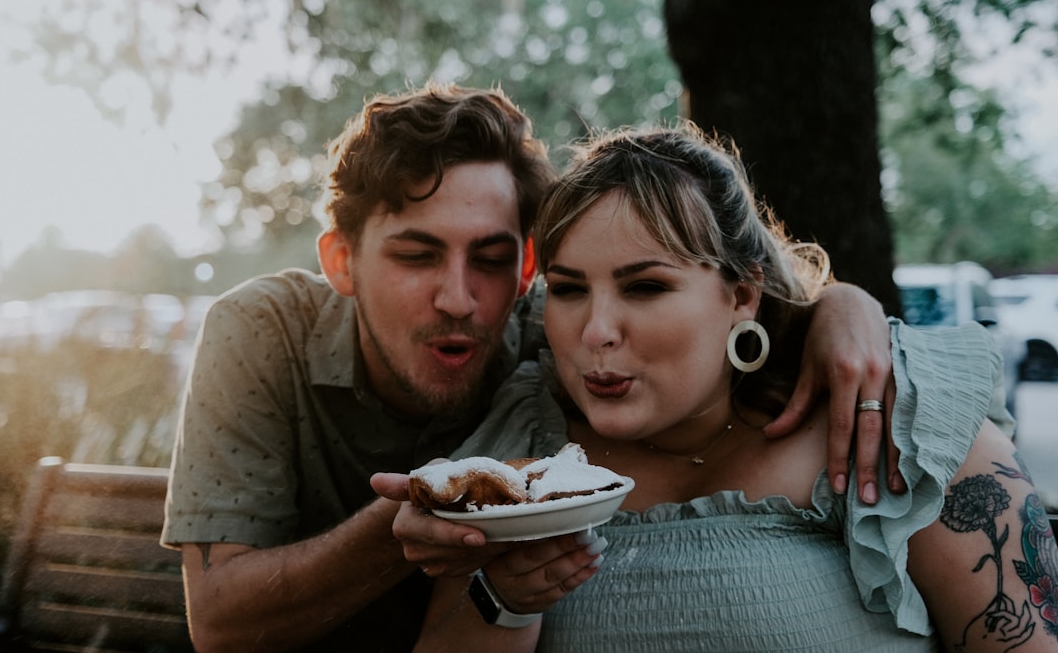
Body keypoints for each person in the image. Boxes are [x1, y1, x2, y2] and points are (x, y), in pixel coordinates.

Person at [161, 84, 900, 653]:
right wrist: (411, 523)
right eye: (417, 255)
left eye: (491, 260)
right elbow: (219, 625)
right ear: (341, 261)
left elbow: (704, 300)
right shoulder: (261, 332)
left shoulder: (559, 326)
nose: (459, 299)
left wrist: (837, 307)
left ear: (526, 269)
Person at [396, 122, 1055, 651]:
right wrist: (506, 599)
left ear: (741, 293)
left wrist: (843, 302)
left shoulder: (895, 417)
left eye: (645, 287)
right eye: (568, 290)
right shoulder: (520, 455)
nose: (595, 331)